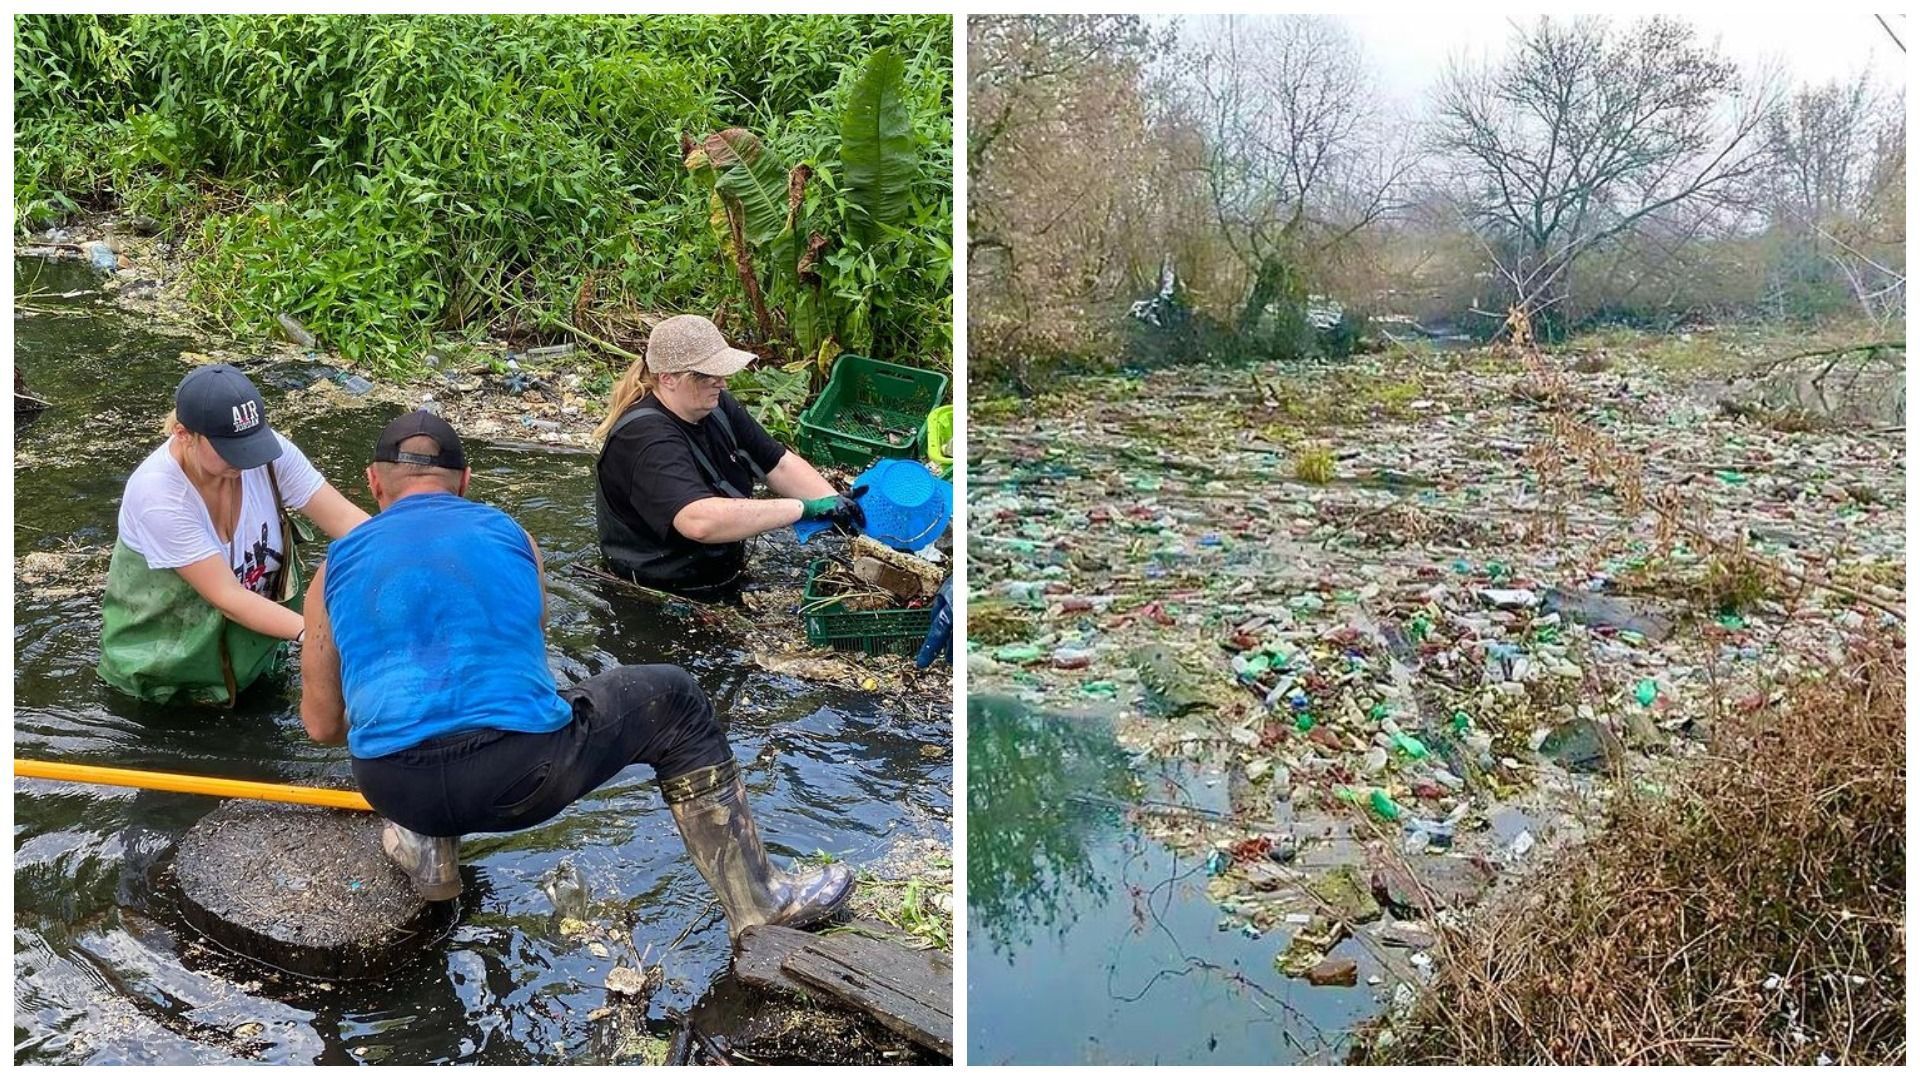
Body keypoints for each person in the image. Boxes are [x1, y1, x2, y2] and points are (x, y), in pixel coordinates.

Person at [300, 411, 852, 934]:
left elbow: (323, 726)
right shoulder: (510, 535)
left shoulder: (332, 571)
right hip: (521, 779)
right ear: (465, 481)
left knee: (415, 703)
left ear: (373, 483)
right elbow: (528, 655)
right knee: (676, 696)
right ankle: (760, 904)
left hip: (395, 790)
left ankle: (427, 848)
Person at [98, 364, 368, 706]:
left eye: (252, 444)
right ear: (184, 435)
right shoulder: (158, 496)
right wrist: (320, 637)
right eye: (231, 448)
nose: (247, 459)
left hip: (251, 666)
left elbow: (347, 520)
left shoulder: (268, 458)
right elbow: (229, 598)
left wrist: (410, 553)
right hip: (163, 688)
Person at [593, 314, 864, 599]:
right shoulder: (644, 438)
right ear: (668, 379)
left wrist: (837, 506)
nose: (721, 383)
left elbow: (779, 464)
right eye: (707, 375)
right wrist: (803, 509)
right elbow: (698, 521)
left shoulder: (714, 405)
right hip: (656, 592)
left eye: (721, 373)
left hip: (718, 574)